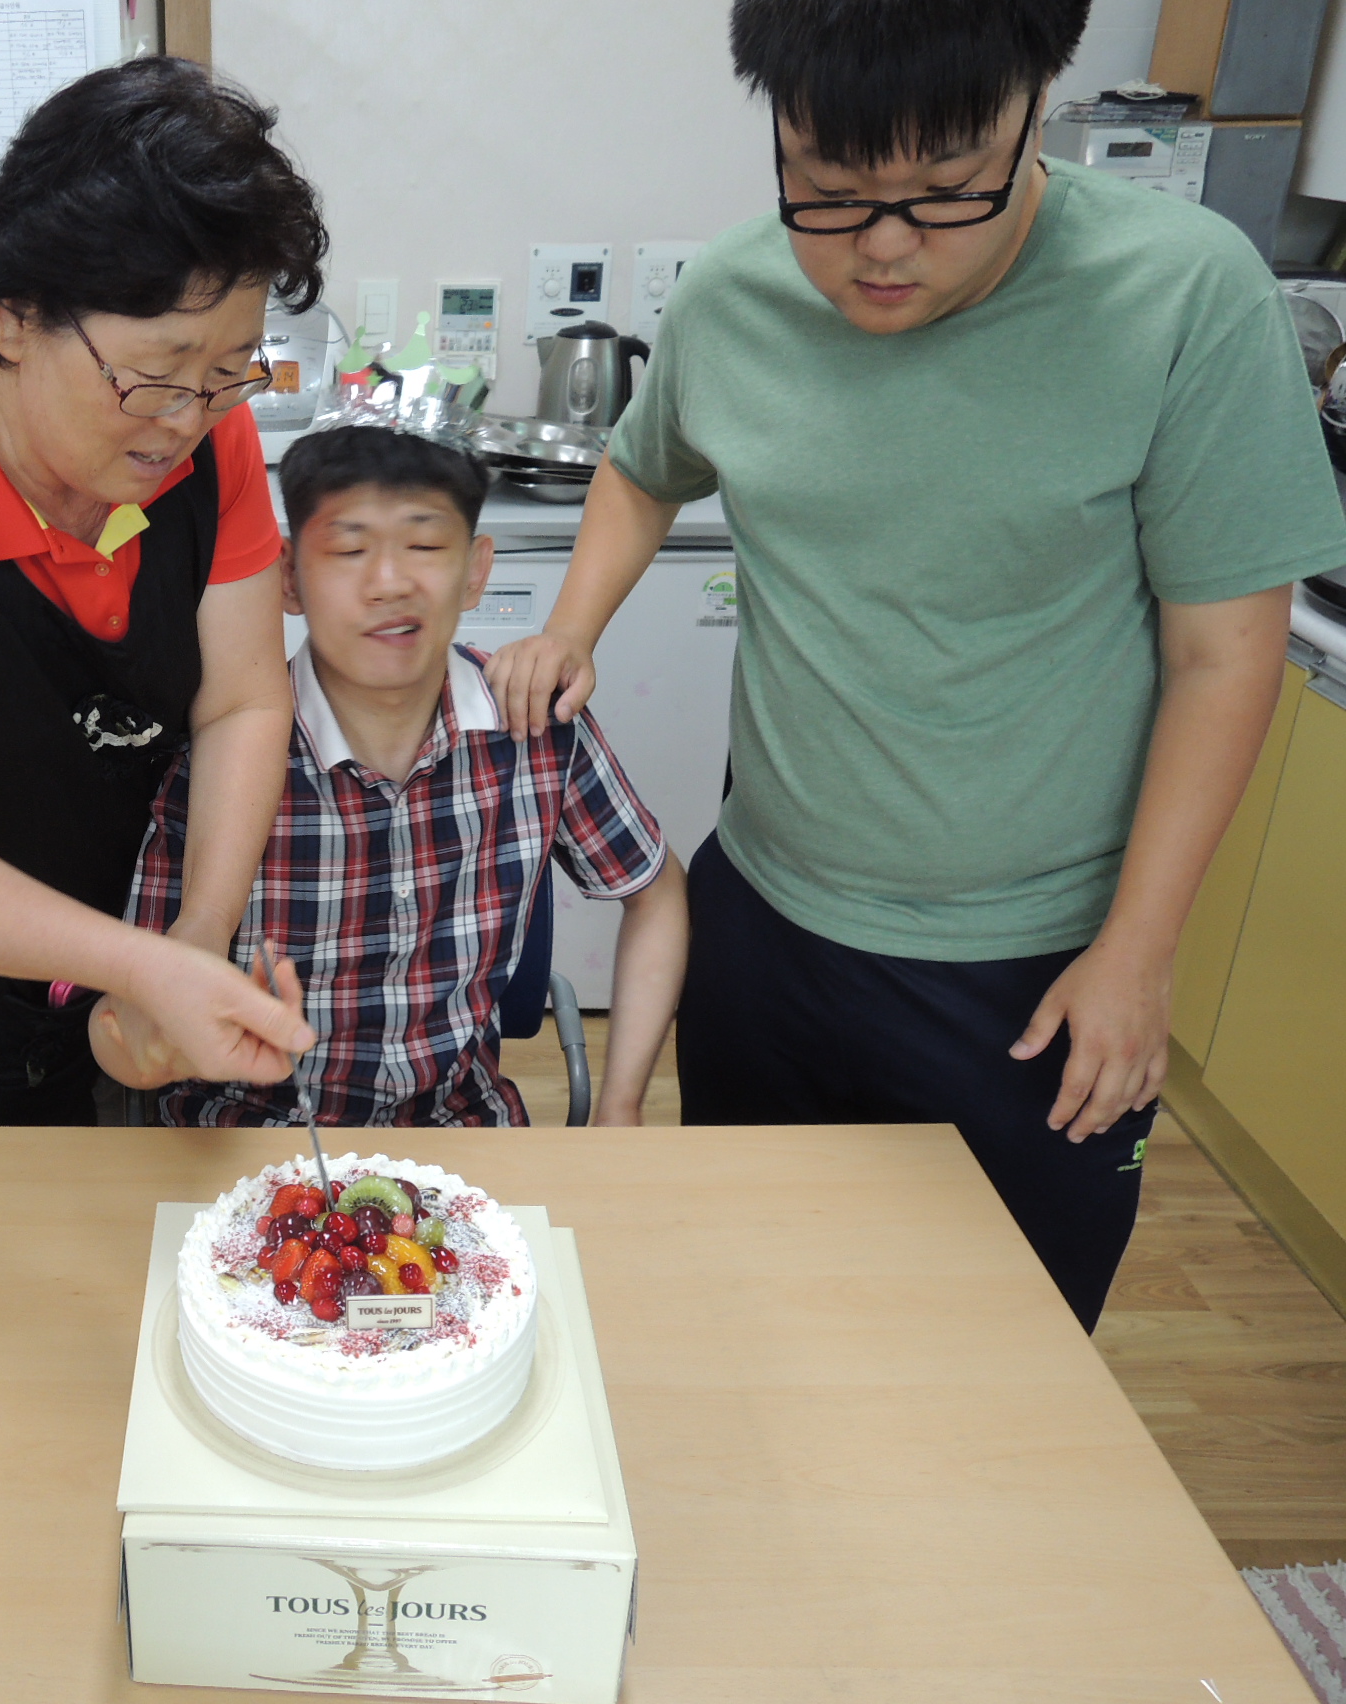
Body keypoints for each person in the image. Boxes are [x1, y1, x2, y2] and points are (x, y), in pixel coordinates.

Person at [487, 0, 1346, 1327]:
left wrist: (1139, 948)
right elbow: (644, 471)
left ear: (1034, 108)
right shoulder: (733, 294)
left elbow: (1222, 654)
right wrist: (571, 627)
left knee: (1001, 1352)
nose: (882, 248)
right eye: (828, 193)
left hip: (1032, 970)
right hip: (763, 928)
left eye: (946, 192)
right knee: (751, 1316)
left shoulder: (1183, 295)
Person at [0, 58, 322, 1123]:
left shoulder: (202, 440)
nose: (187, 419)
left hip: (167, 911)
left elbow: (242, 700)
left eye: (230, 370)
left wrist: (193, 937)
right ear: (17, 320)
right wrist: (139, 963)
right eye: (155, 372)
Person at [100, 426, 687, 1126]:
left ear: (476, 571)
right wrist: (152, 1045)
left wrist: (620, 1110)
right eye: (349, 551)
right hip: (252, 1138)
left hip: (459, 1129)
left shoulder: (532, 725)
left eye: (426, 547)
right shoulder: (226, 756)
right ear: (288, 576)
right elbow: (133, 1016)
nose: (389, 584)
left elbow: (655, 892)